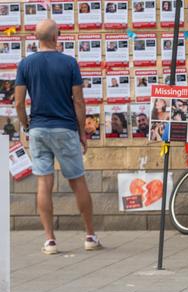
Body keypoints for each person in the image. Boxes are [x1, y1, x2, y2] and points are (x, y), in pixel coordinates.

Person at [15, 20, 102, 255]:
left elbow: (19, 102)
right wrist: (82, 132)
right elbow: (79, 101)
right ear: (56, 37)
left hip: (39, 129)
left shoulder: (25, 64)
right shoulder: (69, 63)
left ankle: (50, 241)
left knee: (44, 183)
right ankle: (90, 236)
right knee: (78, 181)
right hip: (65, 129)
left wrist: (26, 125)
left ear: (36, 37)